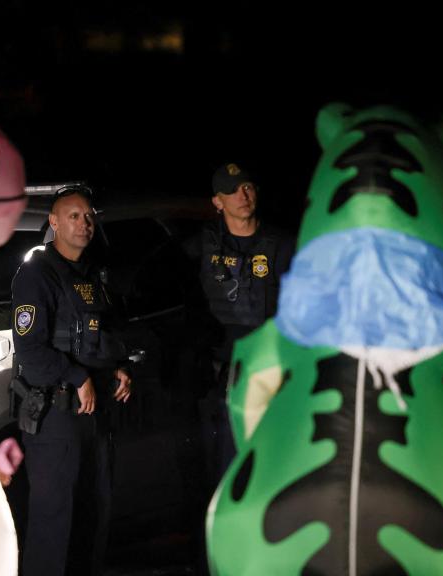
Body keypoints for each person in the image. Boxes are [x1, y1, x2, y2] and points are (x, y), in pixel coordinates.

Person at [10, 185, 132, 576]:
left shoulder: (93, 273)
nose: (84, 223)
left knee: (92, 515)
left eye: (89, 216)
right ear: (55, 222)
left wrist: (116, 367)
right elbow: (31, 352)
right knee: (55, 524)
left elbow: (97, 336)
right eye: (74, 216)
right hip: (56, 416)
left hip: (92, 414)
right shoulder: (36, 273)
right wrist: (77, 376)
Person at [184, 162, 295, 572]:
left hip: (270, 379)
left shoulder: (283, 244)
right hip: (219, 381)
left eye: (248, 186)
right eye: (233, 190)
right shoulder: (199, 248)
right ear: (218, 201)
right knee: (218, 479)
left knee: (270, 477)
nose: (244, 195)